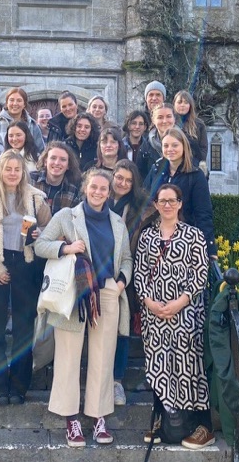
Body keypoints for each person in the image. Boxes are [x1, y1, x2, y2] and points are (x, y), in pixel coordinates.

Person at [34, 168, 132, 448]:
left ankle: (98, 416)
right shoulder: (67, 216)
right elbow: (40, 244)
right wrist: (66, 249)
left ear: (109, 192)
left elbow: (126, 257)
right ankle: (71, 419)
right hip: (74, 294)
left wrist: (121, 282)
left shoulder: (116, 222)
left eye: (104, 188)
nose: (99, 192)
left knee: (103, 358)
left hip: (107, 292)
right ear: (85, 188)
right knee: (68, 356)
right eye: (94, 187)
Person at [133, 183, 214, 450]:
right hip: (154, 314)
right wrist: (150, 303)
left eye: (172, 200)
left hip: (186, 314)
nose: (167, 205)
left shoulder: (194, 236)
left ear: (180, 204)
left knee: (189, 366)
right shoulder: (147, 237)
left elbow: (200, 274)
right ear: (156, 205)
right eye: (162, 201)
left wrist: (179, 303)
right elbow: (140, 274)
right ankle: (164, 419)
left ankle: (202, 426)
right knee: (160, 366)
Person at [0, 151, 52, 406]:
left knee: (23, 330)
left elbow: (50, 232)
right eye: (8, 169)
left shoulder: (36, 199)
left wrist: (40, 233)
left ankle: (19, 386)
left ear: (23, 172)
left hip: (26, 263)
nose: (12, 173)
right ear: (0, 170)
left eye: (17, 169)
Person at [108, 159, 152, 406]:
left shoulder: (138, 207)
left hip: (126, 273)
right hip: (99, 271)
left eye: (128, 180)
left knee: (122, 328)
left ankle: (117, 382)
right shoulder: (100, 196)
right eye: (119, 178)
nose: (122, 183)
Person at [143, 128, 217, 259]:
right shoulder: (156, 170)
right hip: (156, 238)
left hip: (185, 240)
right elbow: (145, 200)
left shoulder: (196, 175)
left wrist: (209, 248)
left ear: (184, 146)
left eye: (175, 145)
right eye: (166, 145)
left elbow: (203, 213)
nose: (170, 149)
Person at [31, 141, 82, 216]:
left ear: (68, 165)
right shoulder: (31, 180)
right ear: (45, 161)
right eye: (53, 158)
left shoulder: (72, 191)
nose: (57, 163)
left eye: (63, 159)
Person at [0, 120, 38, 185]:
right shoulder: (2, 158)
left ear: (26, 135)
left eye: (18, 135)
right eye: (11, 136)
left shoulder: (35, 157)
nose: (14, 139)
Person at [135, 103, 176, 180]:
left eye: (168, 116)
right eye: (160, 117)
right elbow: (140, 176)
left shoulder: (187, 143)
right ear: (153, 120)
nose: (164, 121)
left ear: (174, 118)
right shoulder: (146, 146)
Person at [0, 87, 45, 152]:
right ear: (7, 103)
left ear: (24, 104)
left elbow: (41, 151)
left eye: (19, 100)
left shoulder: (33, 125)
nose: (15, 104)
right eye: (12, 100)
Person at [173, 90, 209, 176]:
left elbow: (203, 148)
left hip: (193, 166)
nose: (182, 105)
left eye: (186, 102)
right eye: (179, 102)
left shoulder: (199, 124)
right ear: (174, 104)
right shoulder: (170, 123)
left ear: (190, 105)